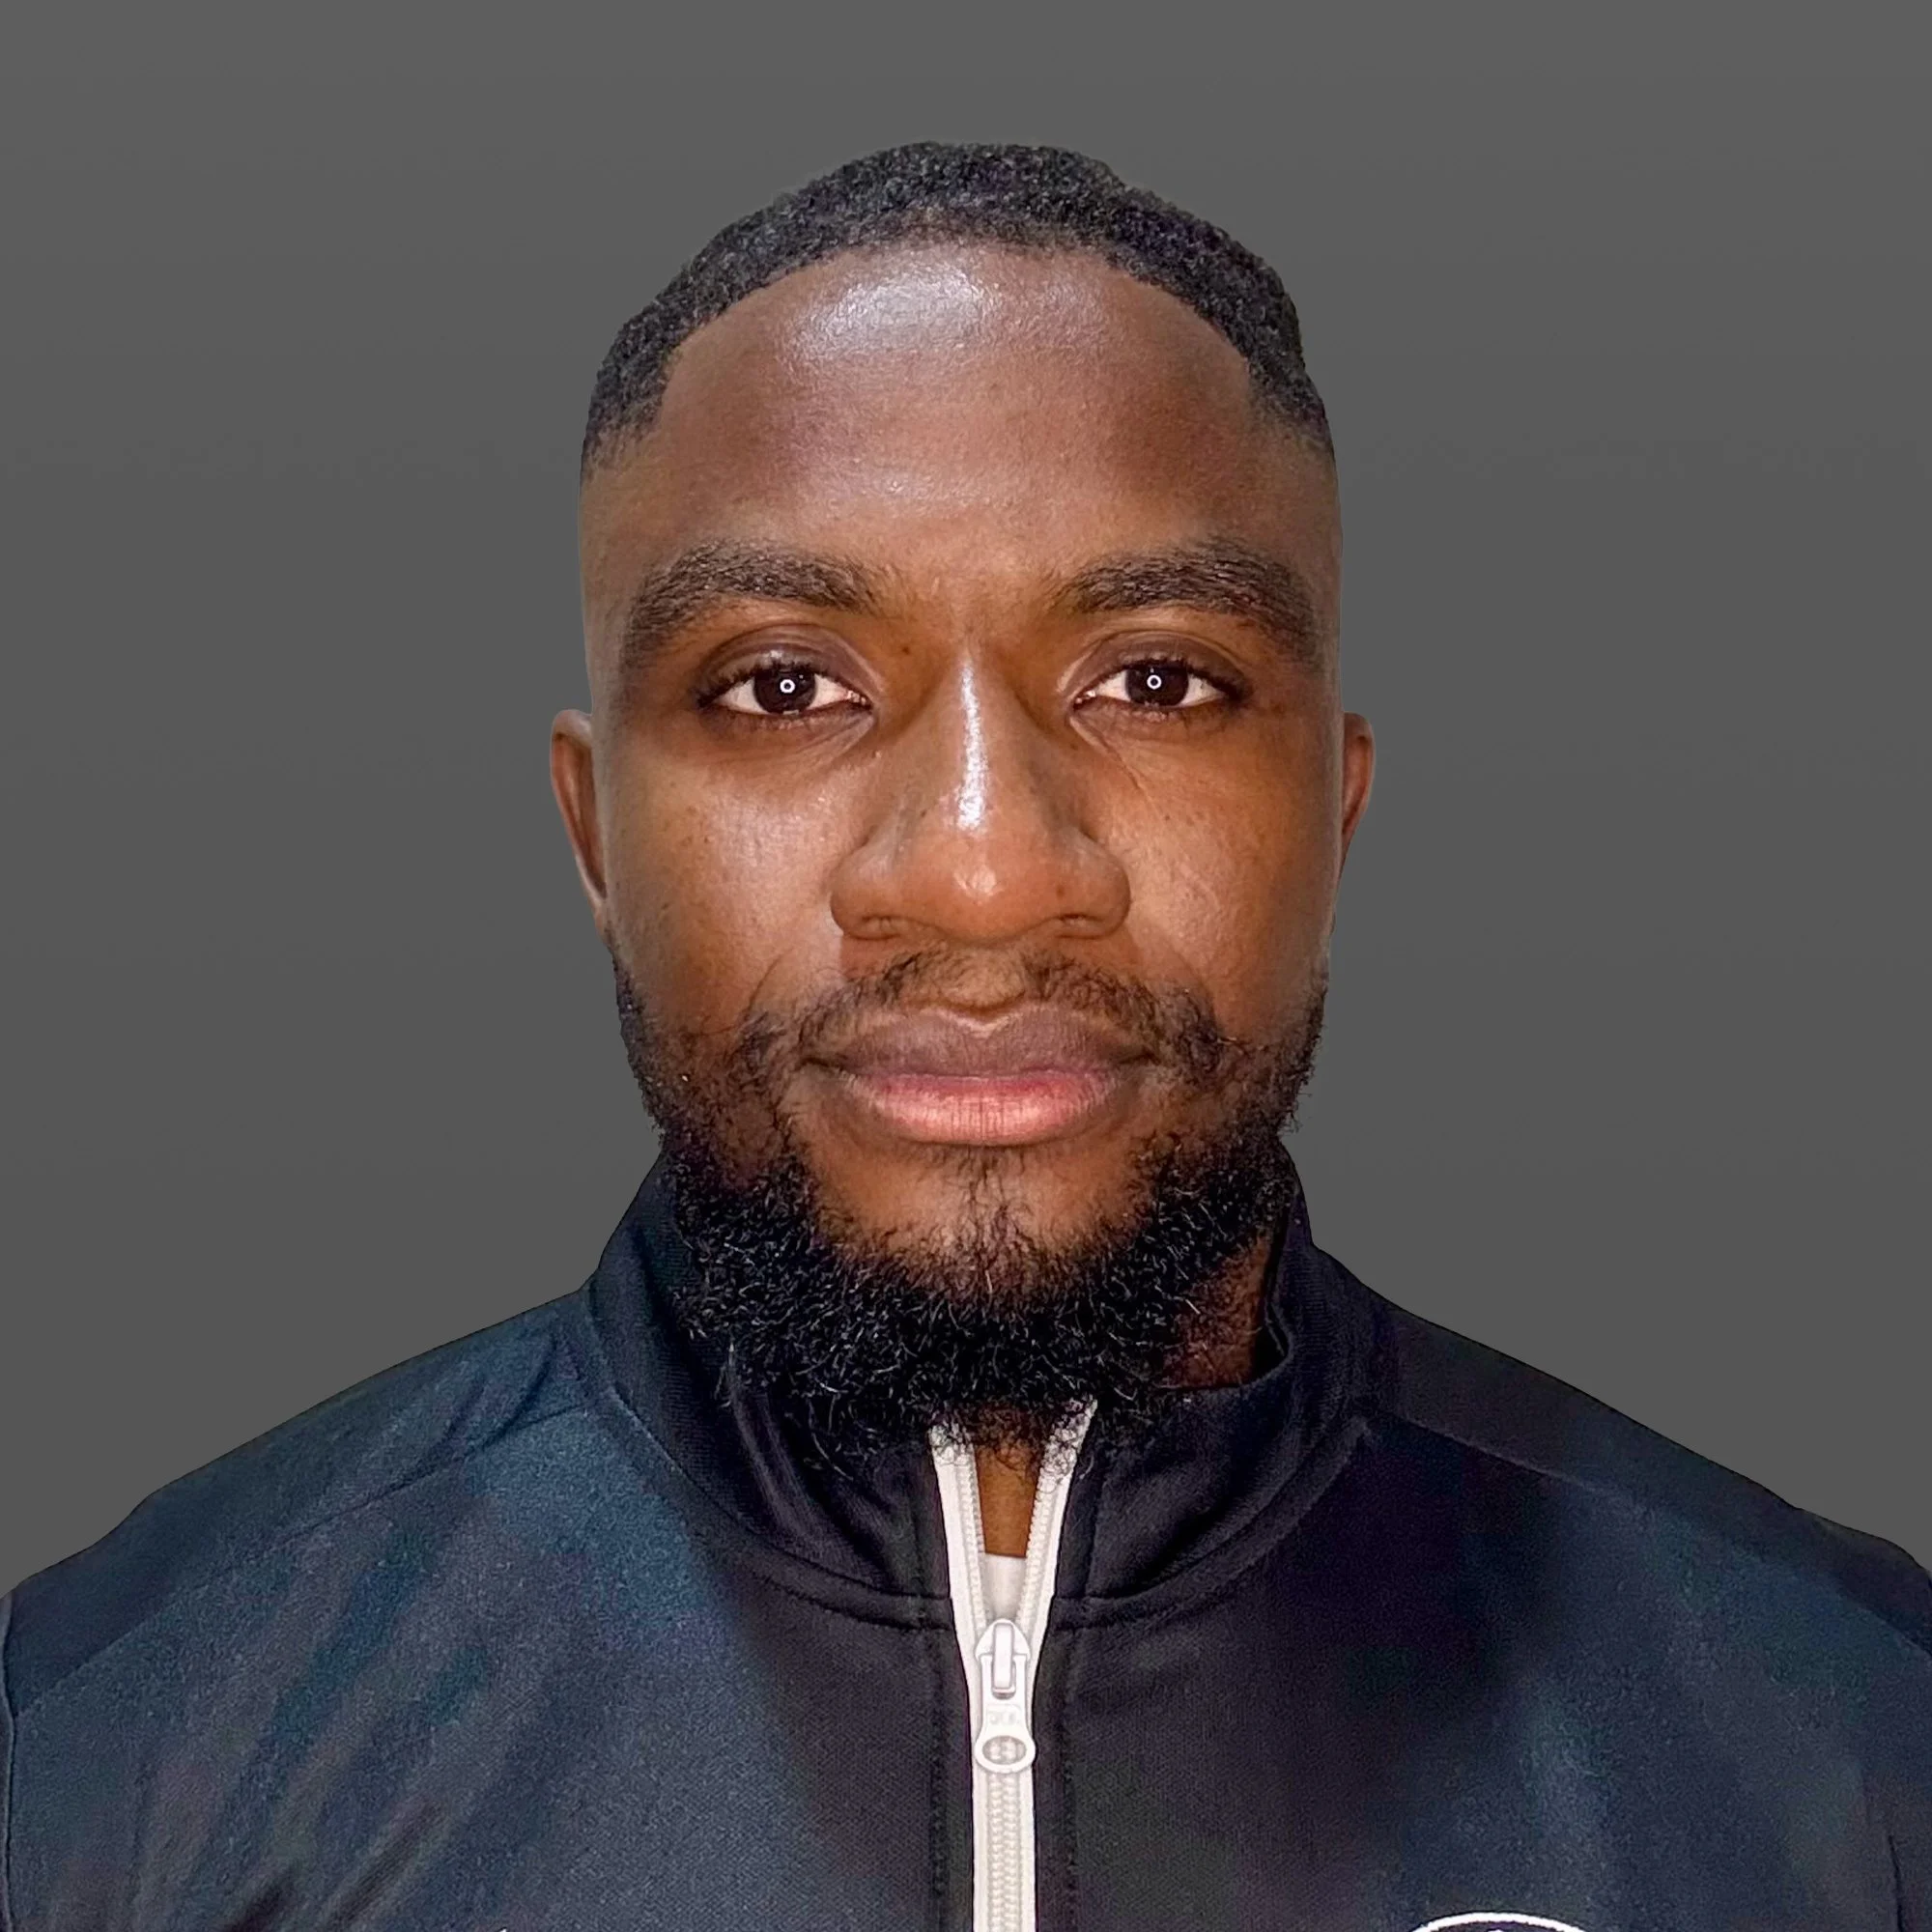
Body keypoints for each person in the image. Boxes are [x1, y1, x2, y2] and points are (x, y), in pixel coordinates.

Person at [2, 142, 1925, 1932]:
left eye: (1155, 679)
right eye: (783, 684)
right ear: (595, 834)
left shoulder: (1839, 1737)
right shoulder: (109, 1749)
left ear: (1331, 810)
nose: (989, 874)